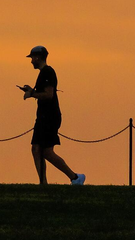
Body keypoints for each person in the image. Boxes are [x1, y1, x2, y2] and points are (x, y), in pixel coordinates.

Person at [18, 45, 85, 185]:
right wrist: (32, 90)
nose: (31, 61)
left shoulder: (48, 72)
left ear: (38, 58)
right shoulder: (44, 73)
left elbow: (49, 95)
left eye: (32, 58)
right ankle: (44, 183)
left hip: (49, 117)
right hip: (43, 116)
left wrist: (31, 94)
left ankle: (75, 177)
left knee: (46, 151)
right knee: (36, 149)